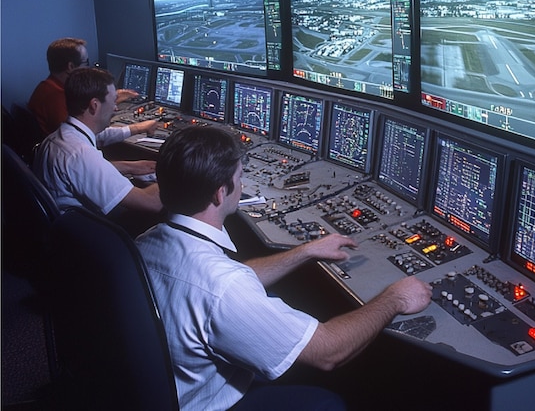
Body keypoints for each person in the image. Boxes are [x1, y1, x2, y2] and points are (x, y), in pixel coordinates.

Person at [136, 126, 432, 411]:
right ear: (219, 193)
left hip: (159, 388)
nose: (242, 184)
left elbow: (221, 286)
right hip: (208, 402)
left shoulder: (145, 241)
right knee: (327, 403)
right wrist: (395, 298)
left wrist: (303, 252)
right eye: (239, 177)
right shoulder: (223, 286)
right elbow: (328, 352)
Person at [34, 67, 163, 223]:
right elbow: (151, 203)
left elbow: (99, 140)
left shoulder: (59, 137)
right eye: (113, 101)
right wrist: (173, 175)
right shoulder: (80, 154)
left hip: (66, 229)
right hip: (86, 236)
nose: (116, 108)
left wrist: (128, 166)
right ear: (94, 105)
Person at [28, 37, 149, 141]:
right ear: (70, 67)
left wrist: (110, 98)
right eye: (86, 62)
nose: (89, 68)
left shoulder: (46, 87)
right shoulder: (56, 98)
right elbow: (86, 135)